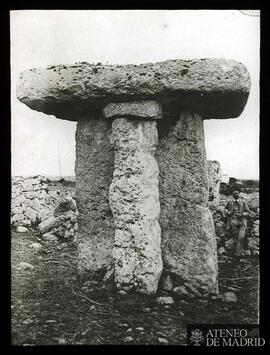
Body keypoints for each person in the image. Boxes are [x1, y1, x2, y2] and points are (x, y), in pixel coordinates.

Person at [224, 189, 251, 256]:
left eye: (237, 193)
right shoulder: (229, 202)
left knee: (241, 237)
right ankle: (237, 251)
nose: (235, 195)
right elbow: (225, 209)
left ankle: (238, 253)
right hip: (233, 222)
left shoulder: (243, 202)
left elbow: (248, 212)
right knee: (235, 238)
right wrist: (228, 212)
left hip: (242, 222)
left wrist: (242, 214)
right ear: (232, 195)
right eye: (234, 193)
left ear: (239, 194)